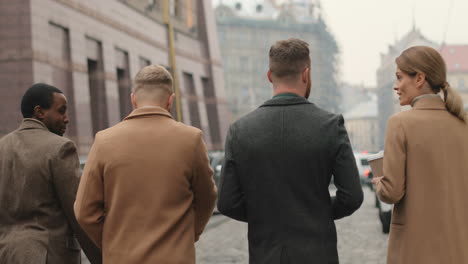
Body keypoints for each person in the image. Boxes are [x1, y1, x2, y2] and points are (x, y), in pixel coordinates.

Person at [217, 38, 363, 263]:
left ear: (269, 76)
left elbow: (227, 202)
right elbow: (352, 197)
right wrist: (316, 214)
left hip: (266, 254)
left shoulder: (240, 130)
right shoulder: (331, 126)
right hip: (317, 254)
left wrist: (264, 216)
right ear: (306, 74)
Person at [74, 65, 217, 264]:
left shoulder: (104, 141)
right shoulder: (191, 139)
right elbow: (207, 198)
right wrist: (188, 235)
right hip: (175, 257)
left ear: (134, 99)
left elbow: (84, 212)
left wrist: (113, 244)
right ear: (170, 100)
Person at [372, 46, 468, 263]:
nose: (396, 86)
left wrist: (379, 182)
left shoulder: (400, 123)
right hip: (459, 248)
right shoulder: (463, 125)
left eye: (399, 77)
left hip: (415, 249)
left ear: (419, 79)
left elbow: (392, 192)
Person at [0, 83, 102, 263]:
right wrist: (102, 258)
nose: (66, 118)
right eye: (61, 111)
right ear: (39, 112)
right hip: (49, 256)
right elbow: (79, 212)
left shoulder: (2, 147)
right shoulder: (60, 148)